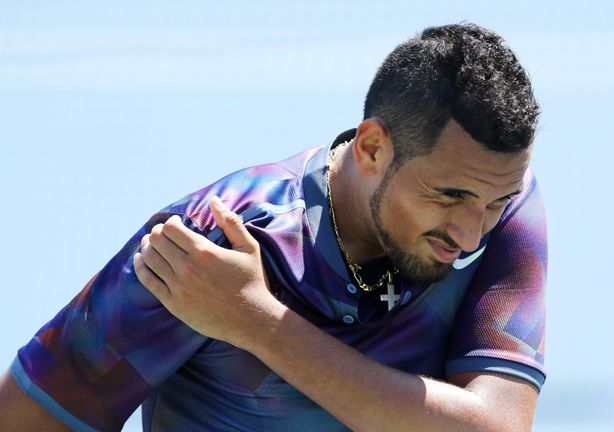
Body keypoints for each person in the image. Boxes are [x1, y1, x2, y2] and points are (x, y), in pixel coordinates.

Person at [0, 23, 547, 431]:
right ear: (374, 147)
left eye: (493, 202)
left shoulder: (504, 205)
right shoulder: (214, 244)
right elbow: (25, 418)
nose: (472, 235)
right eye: (448, 196)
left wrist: (256, 322)